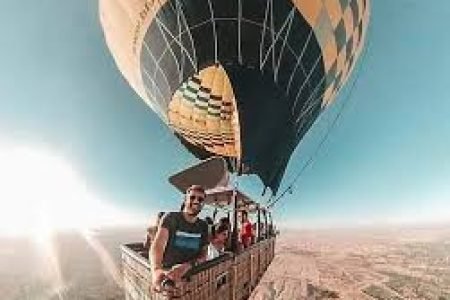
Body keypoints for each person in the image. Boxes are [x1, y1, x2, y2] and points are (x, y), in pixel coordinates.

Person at [150, 185, 209, 291]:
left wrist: (187, 266)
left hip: (192, 276)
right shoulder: (171, 218)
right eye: (192, 197)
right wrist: (156, 270)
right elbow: (158, 246)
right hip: (168, 275)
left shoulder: (203, 226)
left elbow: (203, 255)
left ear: (203, 204)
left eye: (200, 199)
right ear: (185, 199)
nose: (196, 201)